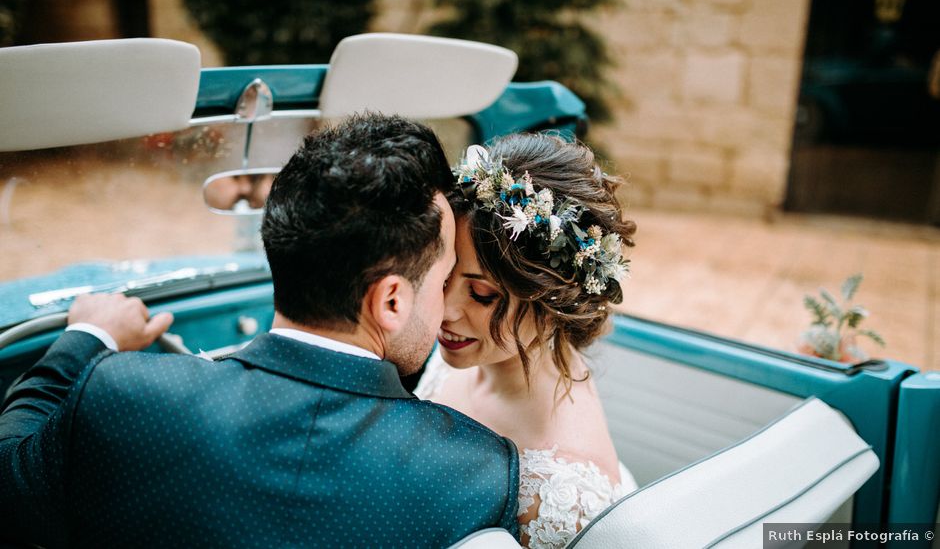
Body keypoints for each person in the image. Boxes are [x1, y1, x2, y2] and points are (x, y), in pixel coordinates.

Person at [0, 114, 519, 548]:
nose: (448, 302)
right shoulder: (472, 474)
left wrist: (87, 338)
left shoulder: (122, 396)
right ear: (390, 300)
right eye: (444, 277)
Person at [415, 134, 639, 548]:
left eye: (482, 295)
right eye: (444, 277)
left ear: (553, 301)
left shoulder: (556, 496)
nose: (444, 311)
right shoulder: (475, 344)